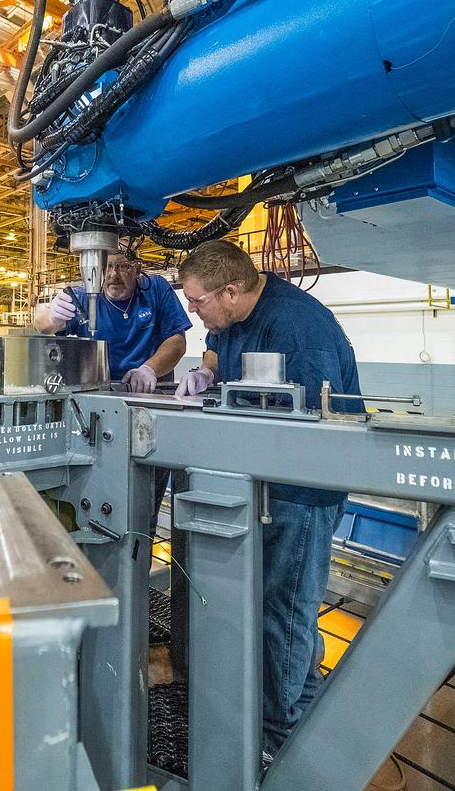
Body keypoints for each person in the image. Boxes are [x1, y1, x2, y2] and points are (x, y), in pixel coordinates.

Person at [175, 238, 362, 758]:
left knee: (286, 608)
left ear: (230, 291)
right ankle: (304, 702)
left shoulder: (300, 329)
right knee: (280, 606)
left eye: (199, 303)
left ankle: (278, 741)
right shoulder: (238, 318)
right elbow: (219, 349)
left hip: (299, 492)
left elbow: (312, 430)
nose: (195, 313)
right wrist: (208, 370)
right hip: (261, 484)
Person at [33, 246, 190, 393]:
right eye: (106, 267)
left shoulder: (155, 289)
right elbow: (40, 324)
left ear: (137, 269)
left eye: (123, 266)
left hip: (150, 388)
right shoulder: (85, 296)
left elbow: (177, 341)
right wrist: (53, 318)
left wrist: (149, 369)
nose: (113, 274)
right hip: (100, 389)